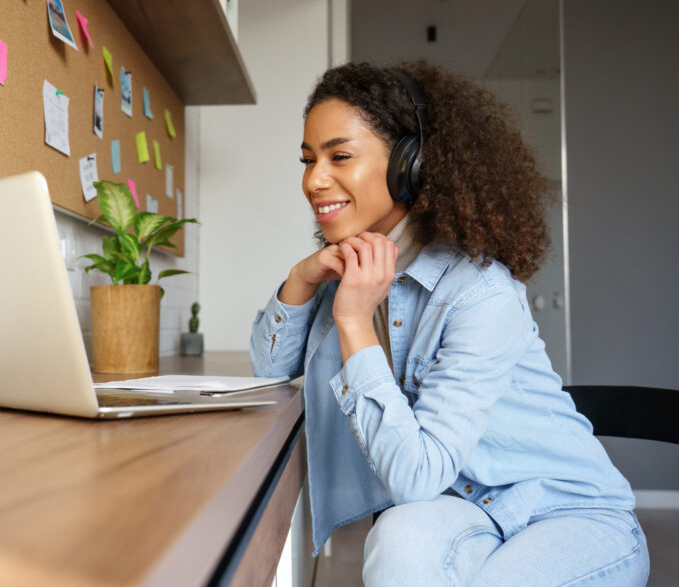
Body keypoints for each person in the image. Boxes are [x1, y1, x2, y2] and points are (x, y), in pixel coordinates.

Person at [250, 60, 649, 586]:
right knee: (397, 541)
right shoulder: (352, 269)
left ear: (409, 164)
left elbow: (416, 475)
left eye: (339, 156)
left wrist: (352, 321)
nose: (313, 180)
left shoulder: (480, 293)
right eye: (308, 160)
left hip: (568, 513)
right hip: (463, 510)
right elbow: (270, 365)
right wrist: (301, 278)